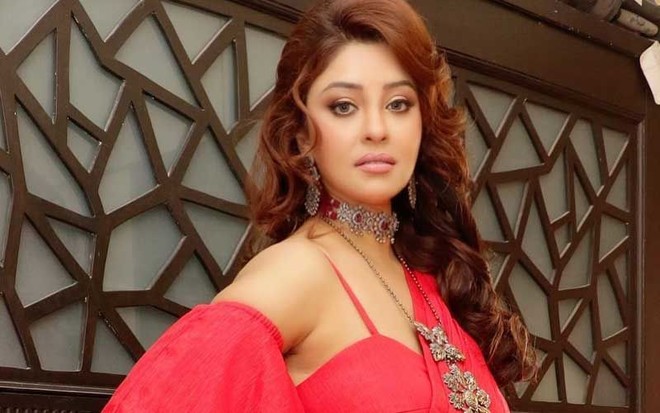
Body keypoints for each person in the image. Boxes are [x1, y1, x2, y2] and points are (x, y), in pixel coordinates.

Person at [102, 0, 537, 411]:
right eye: (343, 106)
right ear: (302, 133)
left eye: (398, 104)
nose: (376, 129)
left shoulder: (430, 272)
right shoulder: (298, 272)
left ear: (422, 121)